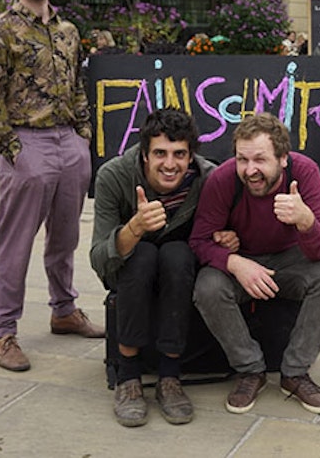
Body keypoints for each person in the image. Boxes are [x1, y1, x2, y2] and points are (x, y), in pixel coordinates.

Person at [0, 0, 104, 373]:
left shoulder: (68, 32)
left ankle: (64, 310)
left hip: (69, 142)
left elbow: (77, 87)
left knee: (65, 237)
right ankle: (4, 330)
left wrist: (83, 136)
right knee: (15, 242)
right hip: (26, 143)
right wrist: (11, 148)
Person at [190, 113, 320, 415]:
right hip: (243, 258)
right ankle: (250, 370)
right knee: (208, 287)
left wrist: (306, 221)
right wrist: (234, 262)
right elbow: (199, 241)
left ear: (283, 158)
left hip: (290, 259)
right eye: (242, 160)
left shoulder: (305, 172)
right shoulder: (223, 179)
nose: (250, 170)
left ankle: (295, 373)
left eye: (260, 160)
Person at [90, 108, 237, 427]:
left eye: (179, 154)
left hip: (180, 271)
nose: (170, 164)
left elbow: (232, 235)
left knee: (175, 253)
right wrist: (134, 228)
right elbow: (99, 259)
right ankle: (128, 376)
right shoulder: (114, 175)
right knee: (142, 254)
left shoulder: (209, 179)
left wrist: (229, 238)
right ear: (144, 154)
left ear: (191, 155)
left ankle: (170, 376)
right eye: (160, 153)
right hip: (128, 270)